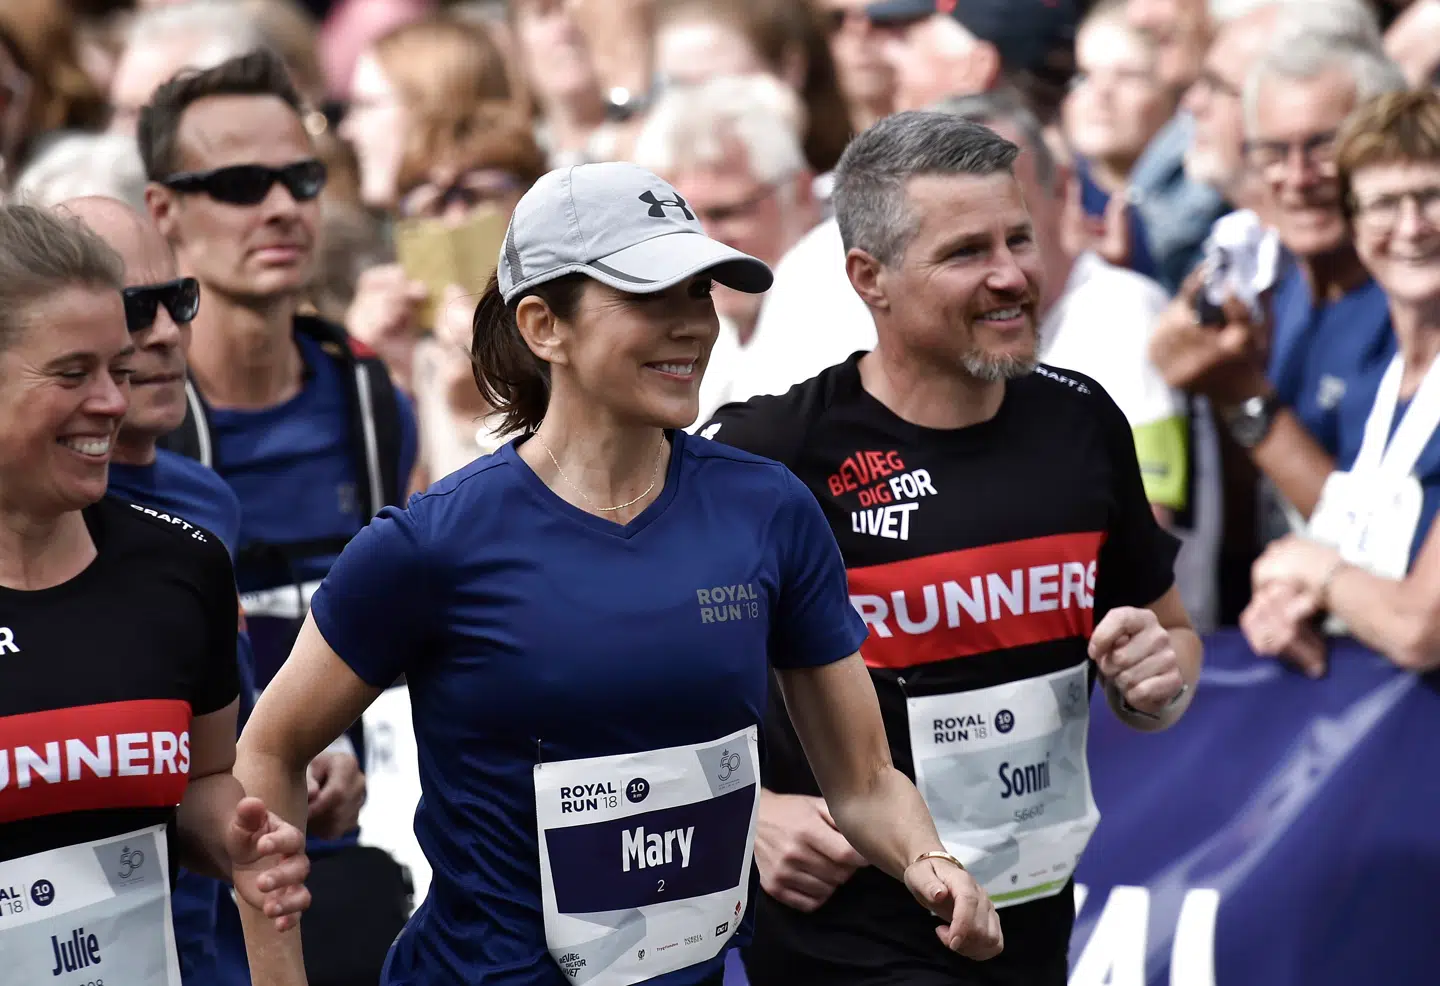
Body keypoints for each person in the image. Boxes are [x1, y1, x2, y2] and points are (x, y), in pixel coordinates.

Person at [233, 160, 1006, 985]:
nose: (690, 326)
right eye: (648, 297)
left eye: (699, 294)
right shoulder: (432, 544)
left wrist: (930, 862)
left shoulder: (767, 510)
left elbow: (863, 780)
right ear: (543, 326)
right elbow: (269, 751)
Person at [702, 112, 1201, 986]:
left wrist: (1157, 683)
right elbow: (622, 674)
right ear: (870, 278)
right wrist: (751, 814)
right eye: (967, 252)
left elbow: (1172, 642)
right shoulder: (776, 450)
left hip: (1031, 922)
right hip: (846, 934)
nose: (1011, 276)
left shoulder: (1082, 420)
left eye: (1021, 239)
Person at [137, 48, 416, 984]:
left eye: (301, 178)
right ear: (163, 211)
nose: (281, 207)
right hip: (196, 900)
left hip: (370, 867)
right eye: (240, 183)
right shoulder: (127, 434)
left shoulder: (373, 403)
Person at [0, 202, 309, 984]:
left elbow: (202, 784)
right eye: (75, 373)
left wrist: (238, 843)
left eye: (115, 367)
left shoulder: (183, 564)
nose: (111, 400)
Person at [1243, 89, 1440, 677]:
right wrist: (1289, 600)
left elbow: (1419, 629)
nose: (1410, 227)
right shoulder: (1374, 389)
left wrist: (1307, 568)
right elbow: (1368, 571)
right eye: (1383, 204)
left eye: (1432, 197)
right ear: (1352, 223)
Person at [631, 74, 820, 423]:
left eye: (725, 213)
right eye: (684, 221)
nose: (704, 242)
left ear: (801, 194)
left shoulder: (839, 280)